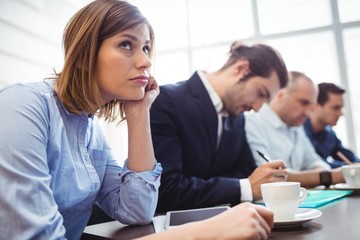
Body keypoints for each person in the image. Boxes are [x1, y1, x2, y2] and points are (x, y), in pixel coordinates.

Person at [0, 1, 275, 239]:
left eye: (145, 48)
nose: (145, 61)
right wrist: (201, 233)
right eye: (126, 45)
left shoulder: (91, 131)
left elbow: (137, 210)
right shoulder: (22, 107)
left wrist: (139, 112)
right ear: (84, 54)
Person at [150, 41, 289, 212]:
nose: (258, 107)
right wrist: (243, 187)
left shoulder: (237, 116)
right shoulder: (166, 100)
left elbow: (245, 172)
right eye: (261, 93)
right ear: (241, 68)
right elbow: (166, 188)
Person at [245, 71, 345, 188]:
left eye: (311, 106)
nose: (308, 113)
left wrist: (320, 174)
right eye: (303, 103)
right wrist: (330, 177)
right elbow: (271, 177)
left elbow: (315, 162)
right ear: (280, 95)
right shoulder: (252, 124)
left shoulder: (296, 126)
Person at [303, 82, 360, 168]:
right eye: (336, 108)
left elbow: (348, 156)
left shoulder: (329, 134)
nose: (341, 113)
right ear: (316, 106)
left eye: (341, 108)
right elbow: (315, 164)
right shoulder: (298, 132)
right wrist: (350, 167)